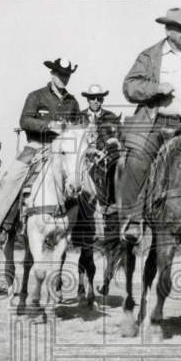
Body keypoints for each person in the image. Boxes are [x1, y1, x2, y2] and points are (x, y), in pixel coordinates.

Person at [116, 8, 181, 241]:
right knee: (136, 161)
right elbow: (129, 87)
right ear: (169, 30)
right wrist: (155, 88)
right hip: (157, 124)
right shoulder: (149, 56)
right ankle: (132, 220)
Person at [0, 58, 82, 235]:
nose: (64, 78)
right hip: (36, 147)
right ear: (52, 74)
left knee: (80, 178)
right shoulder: (36, 96)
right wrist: (48, 126)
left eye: (67, 75)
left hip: (62, 150)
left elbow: (77, 128)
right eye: (61, 74)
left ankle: (82, 229)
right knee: (12, 178)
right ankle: (2, 225)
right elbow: (24, 120)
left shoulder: (73, 102)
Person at [74, 84, 122, 283]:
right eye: (92, 98)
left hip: (105, 159)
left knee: (119, 171)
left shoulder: (111, 117)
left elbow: (117, 137)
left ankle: (119, 211)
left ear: (102, 99)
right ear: (88, 99)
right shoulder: (79, 117)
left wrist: (108, 147)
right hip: (83, 160)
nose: (96, 101)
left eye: (99, 98)